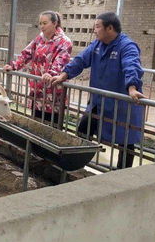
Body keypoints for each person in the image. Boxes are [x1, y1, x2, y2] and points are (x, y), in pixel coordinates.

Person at [51, 12, 146, 169]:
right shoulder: (97, 45)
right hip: (99, 101)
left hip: (122, 104)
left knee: (125, 142)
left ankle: (122, 174)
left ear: (109, 28)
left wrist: (132, 87)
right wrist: (63, 75)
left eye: (97, 26)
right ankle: (77, 165)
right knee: (83, 129)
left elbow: (132, 65)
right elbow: (80, 60)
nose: (94, 30)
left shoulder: (127, 46)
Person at [3, 11, 72, 124]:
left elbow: (61, 61)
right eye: (40, 23)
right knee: (35, 123)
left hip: (53, 91)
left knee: (51, 127)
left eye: (45, 23)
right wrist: (13, 66)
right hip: (38, 89)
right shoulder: (39, 39)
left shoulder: (64, 42)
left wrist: (51, 73)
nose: (42, 26)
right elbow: (26, 54)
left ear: (55, 23)